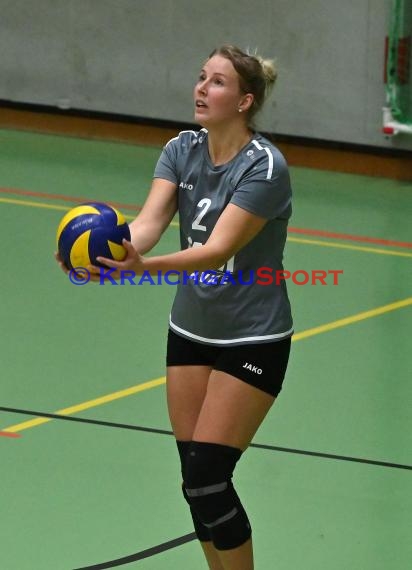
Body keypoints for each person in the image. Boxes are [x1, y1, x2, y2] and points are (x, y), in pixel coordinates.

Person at [56, 44, 293, 570]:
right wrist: (106, 251)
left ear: (244, 101)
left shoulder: (265, 168)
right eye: (201, 77)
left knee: (210, 476)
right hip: (190, 330)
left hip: (252, 338)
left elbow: (217, 249)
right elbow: (148, 222)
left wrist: (142, 269)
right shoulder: (180, 149)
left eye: (218, 83)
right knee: (195, 482)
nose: (202, 89)